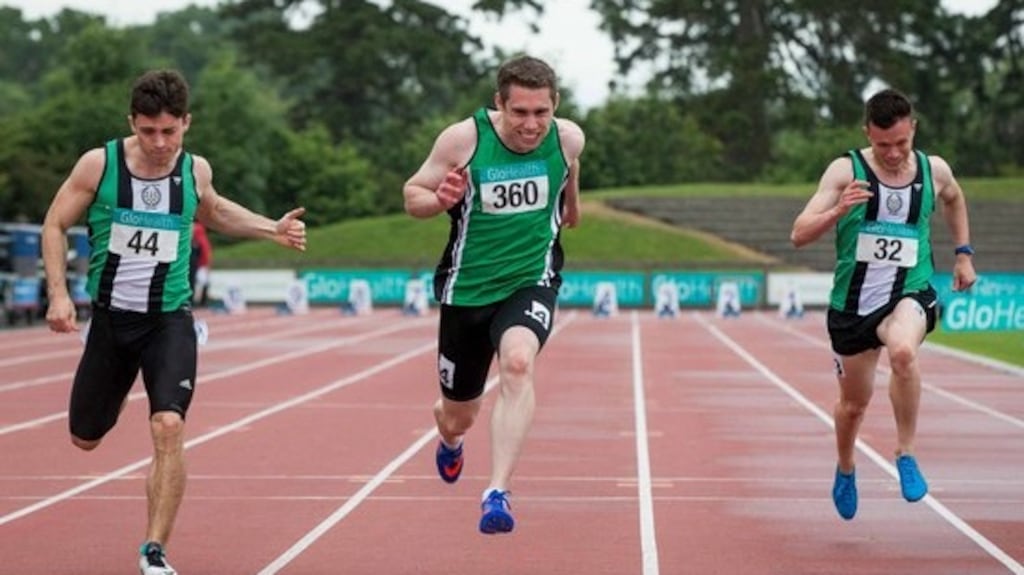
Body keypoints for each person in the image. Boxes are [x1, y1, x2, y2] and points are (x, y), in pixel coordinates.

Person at [40, 69, 307, 574]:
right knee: (86, 436)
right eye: (147, 131)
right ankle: (115, 386)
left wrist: (271, 228)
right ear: (132, 123)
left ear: (186, 123)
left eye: (170, 131)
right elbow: (55, 223)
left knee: (168, 425)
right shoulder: (100, 165)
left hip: (169, 321)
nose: (159, 143)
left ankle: (154, 551)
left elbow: (215, 210)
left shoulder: (194, 169)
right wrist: (58, 294)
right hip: (112, 322)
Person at [402, 55, 585, 534]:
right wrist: (438, 199)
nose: (531, 124)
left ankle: (497, 492)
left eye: (541, 113)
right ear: (499, 104)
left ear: (555, 106)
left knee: (519, 363)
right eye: (519, 112)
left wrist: (572, 205)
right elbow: (411, 194)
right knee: (459, 415)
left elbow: (570, 166)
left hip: (531, 280)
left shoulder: (568, 138)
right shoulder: (463, 140)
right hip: (467, 292)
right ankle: (450, 438)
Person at [790, 88, 976, 521]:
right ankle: (846, 466)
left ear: (913, 128)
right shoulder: (845, 170)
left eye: (901, 144)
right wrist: (838, 210)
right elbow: (798, 234)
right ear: (867, 135)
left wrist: (963, 253)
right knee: (853, 406)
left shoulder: (935, 169)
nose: (892, 154)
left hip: (908, 291)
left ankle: (905, 453)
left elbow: (954, 198)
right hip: (853, 305)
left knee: (904, 352)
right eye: (882, 145)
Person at [188, 221, 212, 307]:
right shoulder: (201, 237)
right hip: (199, 263)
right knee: (201, 282)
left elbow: (205, 252)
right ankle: (202, 301)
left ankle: (200, 301)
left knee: (196, 281)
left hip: (199, 264)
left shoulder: (198, 235)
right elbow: (207, 252)